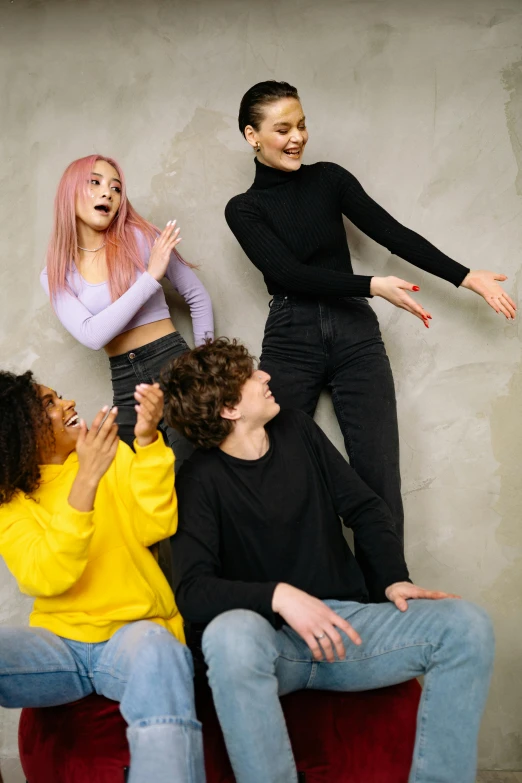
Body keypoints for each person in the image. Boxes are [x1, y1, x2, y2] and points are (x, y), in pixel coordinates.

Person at [163, 338, 495, 783]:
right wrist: (280, 598)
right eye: (251, 376)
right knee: (227, 634)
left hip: (343, 631)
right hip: (271, 645)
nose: (265, 377)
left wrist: (393, 579)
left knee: (466, 625)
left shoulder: (297, 428)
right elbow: (192, 591)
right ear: (228, 408)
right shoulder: (198, 480)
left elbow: (365, 508)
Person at [224, 80, 516, 555]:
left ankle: (389, 592)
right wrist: (370, 286)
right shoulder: (244, 209)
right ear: (251, 136)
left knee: (379, 475)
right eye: (282, 129)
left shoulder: (330, 179)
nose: (297, 137)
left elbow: (391, 233)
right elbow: (287, 273)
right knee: (273, 464)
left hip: (354, 332)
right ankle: (304, 595)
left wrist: (466, 277)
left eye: (301, 125)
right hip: (291, 334)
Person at [0, 371, 205, 783]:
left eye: (59, 395)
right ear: (21, 432)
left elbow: (156, 525)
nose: (68, 403)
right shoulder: (12, 505)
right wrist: (87, 479)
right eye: (50, 405)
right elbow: (46, 575)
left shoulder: (110, 456)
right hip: (60, 649)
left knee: (161, 653)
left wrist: (146, 441)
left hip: (132, 635)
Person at [41, 154, 214, 468]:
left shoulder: (142, 237)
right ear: (70, 190)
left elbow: (197, 296)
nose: (107, 192)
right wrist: (149, 279)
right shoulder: (55, 272)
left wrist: (205, 366)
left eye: (116, 187)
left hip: (174, 366)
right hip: (124, 379)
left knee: (197, 473)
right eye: (94, 182)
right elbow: (92, 335)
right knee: (141, 481)